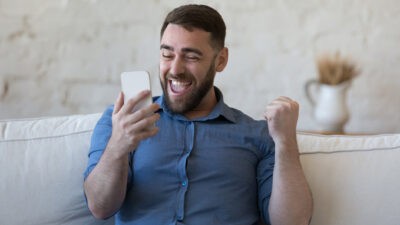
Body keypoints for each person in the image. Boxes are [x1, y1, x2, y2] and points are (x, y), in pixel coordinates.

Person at [83, 4, 313, 225]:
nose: (175, 69)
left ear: (220, 60)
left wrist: (286, 141)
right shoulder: (122, 121)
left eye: (191, 57)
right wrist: (118, 146)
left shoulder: (258, 135)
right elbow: (100, 207)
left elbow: (294, 222)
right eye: (167, 54)